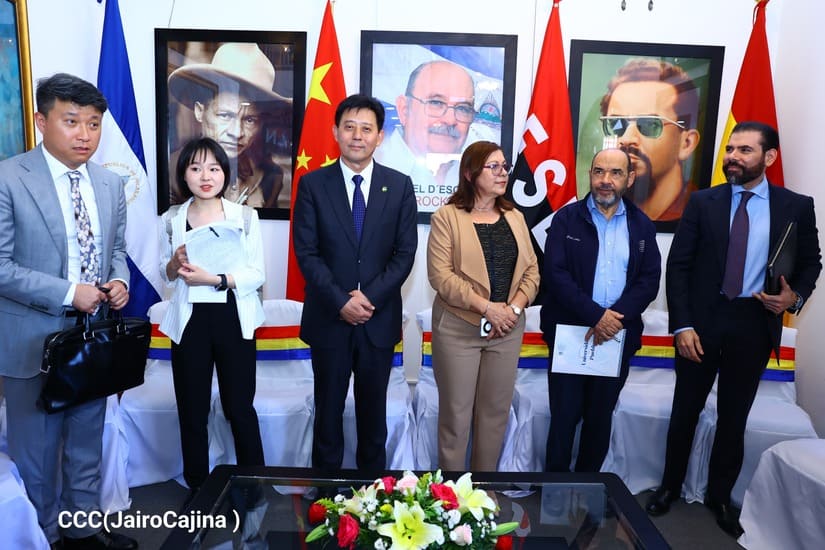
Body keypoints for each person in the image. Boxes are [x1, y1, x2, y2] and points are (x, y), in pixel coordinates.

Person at [645, 121, 822, 538]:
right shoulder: (702, 202)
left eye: (745, 150)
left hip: (753, 323)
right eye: (730, 149)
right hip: (701, 323)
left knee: (733, 416)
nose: (733, 158)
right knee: (685, 411)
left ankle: (720, 497)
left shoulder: (795, 206)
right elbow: (679, 266)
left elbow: (811, 262)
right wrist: (682, 325)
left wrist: (792, 298)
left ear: (769, 157)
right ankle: (670, 487)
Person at [0, 73, 136, 549]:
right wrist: (68, 292)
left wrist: (118, 281)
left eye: (94, 124)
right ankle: (44, 538)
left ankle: (84, 532)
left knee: (86, 447)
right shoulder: (8, 178)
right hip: (30, 342)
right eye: (72, 121)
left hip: (92, 340)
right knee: (36, 456)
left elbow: (116, 251)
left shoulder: (110, 183)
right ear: (42, 121)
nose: (85, 134)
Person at [292, 94, 417, 473]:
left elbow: (404, 254)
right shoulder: (313, 184)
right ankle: (325, 493)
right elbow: (307, 252)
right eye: (349, 127)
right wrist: (340, 301)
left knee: (373, 418)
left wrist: (369, 298)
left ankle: (372, 494)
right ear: (336, 132)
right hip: (329, 319)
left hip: (377, 321)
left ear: (380, 136)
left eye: (366, 129)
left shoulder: (399, 186)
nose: (357, 136)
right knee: (327, 415)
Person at [159, 137, 266, 505]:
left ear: (224, 173)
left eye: (213, 168)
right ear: (183, 175)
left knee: (239, 408)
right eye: (195, 168)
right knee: (193, 410)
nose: (205, 176)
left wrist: (217, 279)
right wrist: (173, 265)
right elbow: (164, 274)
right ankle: (198, 488)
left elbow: (257, 273)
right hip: (190, 320)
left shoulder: (245, 217)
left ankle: (254, 485)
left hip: (233, 316)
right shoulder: (171, 219)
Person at [541, 148, 661, 473]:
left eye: (615, 173)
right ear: (590, 175)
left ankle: (588, 490)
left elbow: (649, 280)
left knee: (599, 419)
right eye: (599, 172)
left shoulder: (642, 226)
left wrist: (613, 318)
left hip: (616, 338)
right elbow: (555, 274)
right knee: (564, 418)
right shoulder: (566, 219)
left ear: (629, 179)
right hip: (570, 336)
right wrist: (597, 316)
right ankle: (554, 492)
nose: (605, 180)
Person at [427, 140, 539, 471]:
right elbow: (441, 277)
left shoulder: (515, 217)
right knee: (456, 416)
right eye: (494, 167)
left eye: (504, 166)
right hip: (459, 330)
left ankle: (484, 489)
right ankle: (450, 494)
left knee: (495, 414)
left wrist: (512, 310)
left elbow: (532, 271)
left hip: (507, 330)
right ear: (470, 173)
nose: (503, 173)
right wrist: (488, 308)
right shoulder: (447, 217)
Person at [167, 42, 291, 209]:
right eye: (225, 115)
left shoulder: (270, 176)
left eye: (250, 120)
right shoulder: (172, 173)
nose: (237, 132)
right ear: (200, 111)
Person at [599, 58, 701, 222]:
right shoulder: (595, 209)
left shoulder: (701, 215)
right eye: (617, 124)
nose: (626, 139)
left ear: (686, 143)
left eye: (650, 124)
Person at [375, 60, 475, 193]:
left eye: (463, 108)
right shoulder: (373, 169)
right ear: (404, 110)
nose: (450, 120)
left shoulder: (476, 179)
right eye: (436, 103)